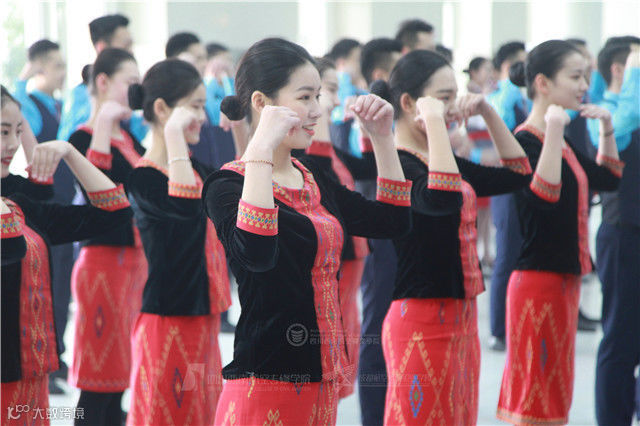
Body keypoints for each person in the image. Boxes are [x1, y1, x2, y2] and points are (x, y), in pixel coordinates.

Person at [203, 37, 412, 424]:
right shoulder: (227, 185)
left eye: (318, 96)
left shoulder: (312, 176)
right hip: (266, 385)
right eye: (305, 97)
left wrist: (383, 138)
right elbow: (256, 254)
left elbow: (393, 222)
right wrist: (260, 149)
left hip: (322, 380)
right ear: (261, 103)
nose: (318, 109)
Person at [370, 49, 533, 424]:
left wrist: (486, 111)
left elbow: (520, 173)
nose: (454, 107)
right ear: (409, 103)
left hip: (462, 317)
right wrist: (435, 122)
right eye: (444, 98)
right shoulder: (399, 164)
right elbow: (441, 198)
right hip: (421, 321)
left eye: (455, 96)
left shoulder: (441, 162)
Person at [497, 40, 623, 425]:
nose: (584, 85)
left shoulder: (559, 138)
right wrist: (553, 129)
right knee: (535, 397)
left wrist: (606, 126)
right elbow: (544, 198)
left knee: (554, 392)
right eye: (576, 76)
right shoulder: (525, 140)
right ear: (543, 83)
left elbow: (608, 178)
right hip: (538, 283)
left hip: (563, 280)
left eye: (585, 76)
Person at [0, 85, 133, 426]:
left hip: (30, 376)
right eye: (3, 132)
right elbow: (9, 247)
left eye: (17, 131)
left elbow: (115, 213)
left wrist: (71, 153)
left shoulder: (20, 198)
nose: (12, 144)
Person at [125, 59, 232, 425]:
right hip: (168, 322)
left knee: (203, 415)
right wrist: (172, 134)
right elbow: (185, 208)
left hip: (203, 317)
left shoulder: (196, 169)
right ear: (161, 109)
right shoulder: (143, 179)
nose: (202, 117)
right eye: (195, 107)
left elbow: (236, 195)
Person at [66, 48, 147, 425]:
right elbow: (96, 194)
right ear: (102, 82)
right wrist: (102, 125)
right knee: (98, 373)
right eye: (130, 82)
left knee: (120, 373)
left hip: (134, 262)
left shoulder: (129, 137)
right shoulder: (80, 138)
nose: (136, 90)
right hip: (102, 264)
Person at [295, 56, 377, 401]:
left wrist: (371, 130)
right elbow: (321, 168)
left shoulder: (332, 148)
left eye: (328, 91)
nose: (329, 100)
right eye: (317, 93)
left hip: (353, 255)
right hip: (333, 260)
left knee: (349, 327)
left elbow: (369, 168)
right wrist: (323, 115)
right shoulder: (307, 150)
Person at [590, 38, 640, 426]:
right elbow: (624, 125)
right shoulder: (605, 114)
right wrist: (635, 75)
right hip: (625, 237)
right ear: (622, 71)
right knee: (621, 340)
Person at [355, 37, 403, 426]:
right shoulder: (366, 118)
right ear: (381, 75)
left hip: (397, 226)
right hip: (379, 232)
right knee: (376, 325)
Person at [486, 40, 529, 351]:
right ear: (507, 67)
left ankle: (511, 324)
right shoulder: (501, 98)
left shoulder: (518, 98)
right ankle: (498, 330)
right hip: (506, 187)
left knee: (517, 254)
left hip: (519, 186)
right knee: (506, 255)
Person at [57, 14, 143, 142]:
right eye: (126, 46)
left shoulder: (125, 100)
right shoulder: (80, 95)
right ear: (102, 48)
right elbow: (69, 143)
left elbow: (136, 134)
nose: (131, 52)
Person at [465, 56, 499, 268]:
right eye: (486, 69)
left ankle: (486, 251)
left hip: (489, 155)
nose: (490, 74)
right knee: (476, 211)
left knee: (486, 211)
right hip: (476, 157)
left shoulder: (491, 94)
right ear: (474, 72)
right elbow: (468, 130)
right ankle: (476, 252)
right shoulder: (468, 96)